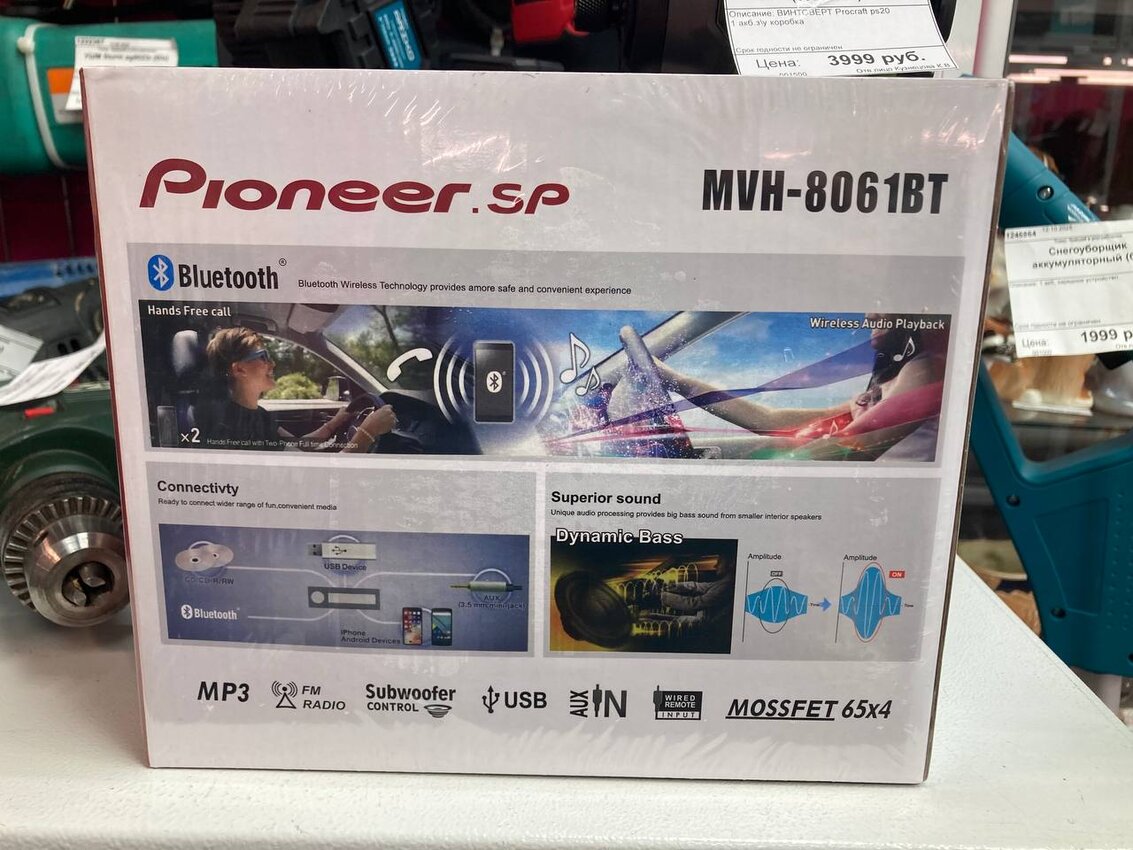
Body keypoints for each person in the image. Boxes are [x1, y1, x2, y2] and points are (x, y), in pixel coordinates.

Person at [652, 315, 948, 461]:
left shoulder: (927, 369)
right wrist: (677, 380)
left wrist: (762, 473)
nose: (871, 315)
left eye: (888, 302)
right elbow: (770, 421)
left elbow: (858, 443)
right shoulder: (883, 387)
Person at [200, 326, 395, 452]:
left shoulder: (258, 414)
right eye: (263, 357)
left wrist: (334, 423)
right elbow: (322, 475)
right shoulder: (233, 428)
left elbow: (298, 446)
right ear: (239, 369)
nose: (272, 364)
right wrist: (367, 432)